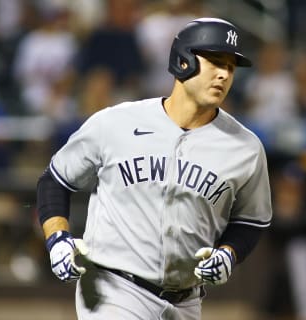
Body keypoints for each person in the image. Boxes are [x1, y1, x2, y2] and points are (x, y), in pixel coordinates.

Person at [36, 17, 272, 320]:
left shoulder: (246, 148)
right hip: (113, 290)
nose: (224, 74)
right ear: (184, 61)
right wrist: (57, 239)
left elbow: (251, 220)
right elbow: (55, 180)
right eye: (214, 61)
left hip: (186, 301)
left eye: (230, 66)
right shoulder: (116, 123)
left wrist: (228, 253)